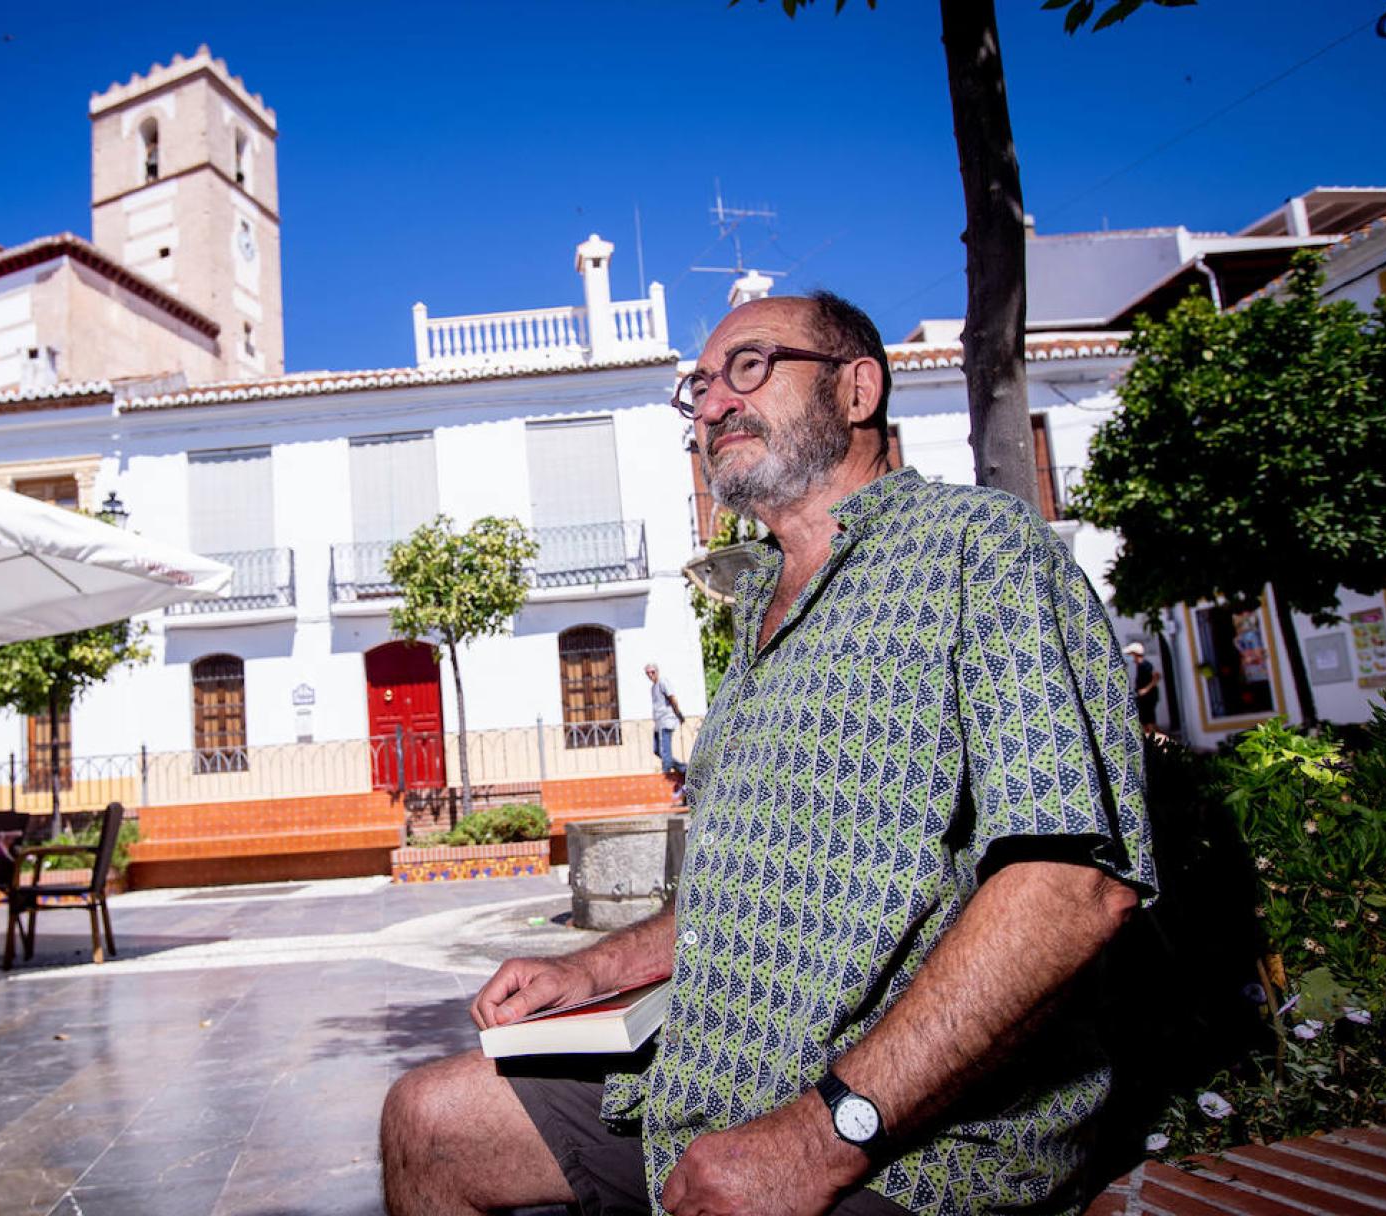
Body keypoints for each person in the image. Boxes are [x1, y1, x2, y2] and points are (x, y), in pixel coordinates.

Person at [380, 292, 1156, 1216]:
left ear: (858, 388)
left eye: (749, 367)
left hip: (921, 1139)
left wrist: (824, 1136)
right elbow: (746, 889)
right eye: (699, 388)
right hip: (710, 1086)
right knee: (426, 1121)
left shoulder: (978, 550)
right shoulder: (759, 611)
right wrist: (596, 969)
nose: (712, 405)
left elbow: (1072, 887)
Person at [645, 664, 687, 803]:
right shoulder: (653, 688)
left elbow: (672, 698)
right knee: (657, 750)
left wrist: (679, 714)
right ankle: (683, 768)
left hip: (667, 720)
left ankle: (668, 770)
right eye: (648, 673)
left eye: (652, 672)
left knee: (666, 752)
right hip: (658, 723)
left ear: (657, 671)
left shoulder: (663, 682)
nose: (650, 675)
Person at [1124, 642, 1162, 737]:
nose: (1129, 656)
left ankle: (1155, 739)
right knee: (1144, 721)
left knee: (1149, 721)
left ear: (1135, 654)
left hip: (1148, 697)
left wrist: (1145, 689)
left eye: (1130, 654)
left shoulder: (1145, 665)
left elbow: (1156, 676)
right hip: (1143, 697)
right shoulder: (1139, 666)